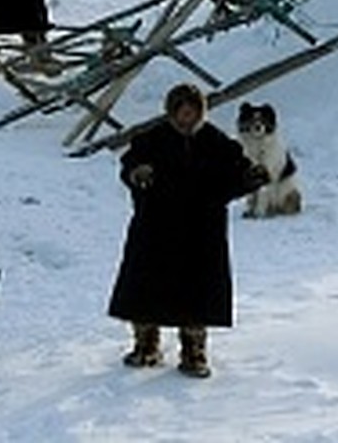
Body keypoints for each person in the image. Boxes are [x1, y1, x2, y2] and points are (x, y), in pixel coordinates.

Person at [107, 83, 268, 377]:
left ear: (200, 112)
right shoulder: (151, 139)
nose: (186, 117)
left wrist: (250, 177)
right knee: (146, 286)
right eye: (180, 111)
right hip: (155, 226)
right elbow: (131, 164)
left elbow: (235, 175)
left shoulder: (217, 143)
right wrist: (138, 173)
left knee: (198, 291)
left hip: (201, 230)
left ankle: (194, 350)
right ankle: (146, 344)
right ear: (171, 111)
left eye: (192, 111)